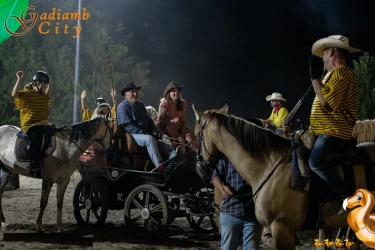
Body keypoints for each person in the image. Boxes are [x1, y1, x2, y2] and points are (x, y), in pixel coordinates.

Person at [307, 35, 360, 207]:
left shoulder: (342, 73)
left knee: (315, 162)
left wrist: (314, 77)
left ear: (330, 51)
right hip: (325, 131)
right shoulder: (332, 75)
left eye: (324, 54)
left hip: (333, 132)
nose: (322, 59)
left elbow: (328, 103)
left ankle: (348, 197)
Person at [116, 82, 176, 170]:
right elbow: (127, 125)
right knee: (149, 139)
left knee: (165, 138)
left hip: (145, 133)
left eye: (136, 91)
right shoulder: (122, 107)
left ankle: (174, 163)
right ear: (126, 94)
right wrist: (143, 132)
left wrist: (155, 131)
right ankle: (160, 166)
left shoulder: (141, 105)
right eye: (132, 92)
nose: (135, 94)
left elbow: (149, 120)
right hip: (132, 135)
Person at [212, 159, 262, 250]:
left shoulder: (256, 155)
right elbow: (215, 176)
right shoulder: (226, 158)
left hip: (253, 213)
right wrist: (222, 188)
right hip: (230, 211)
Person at [12, 70, 52, 175]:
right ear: (37, 83)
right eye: (44, 84)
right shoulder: (27, 94)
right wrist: (19, 80)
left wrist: (49, 87)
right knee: (37, 138)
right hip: (30, 125)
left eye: (46, 84)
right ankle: (34, 163)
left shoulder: (43, 95)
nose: (45, 86)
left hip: (42, 123)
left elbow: (46, 98)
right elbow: (14, 94)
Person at [157, 81, 196, 152]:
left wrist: (182, 133)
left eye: (177, 91)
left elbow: (184, 121)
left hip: (181, 127)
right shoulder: (165, 102)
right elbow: (160, 120)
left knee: (191, 142)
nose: (176, 93)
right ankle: (181, 161)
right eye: (173, 91)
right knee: (181, 145)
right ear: (169, 93)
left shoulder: (182, 103)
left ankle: (194, 161)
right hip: (168, 129)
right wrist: (170, 121)